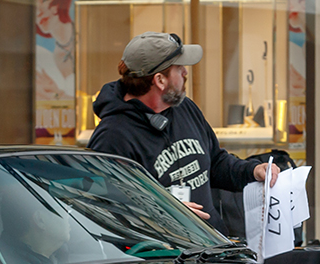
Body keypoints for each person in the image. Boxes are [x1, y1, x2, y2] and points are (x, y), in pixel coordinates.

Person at [89, 31, 279, 226]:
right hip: (162, 253)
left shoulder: (184, 108)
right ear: (160, 80)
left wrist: (252, 170)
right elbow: (109, 208)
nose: (185, 73)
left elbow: (216, 162)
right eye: (179, 68)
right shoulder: (112, 135)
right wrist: (168, 212)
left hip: (211, 246)